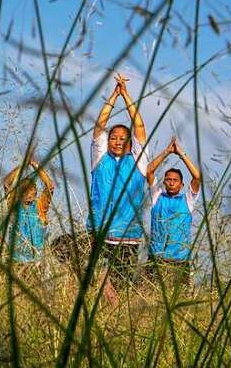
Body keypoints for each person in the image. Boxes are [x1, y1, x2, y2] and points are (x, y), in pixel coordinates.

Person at [89, 74, 148, 302]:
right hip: (101, 232)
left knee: (120, 288)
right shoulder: (99, 158)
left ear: (130, 144)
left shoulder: (138, 162)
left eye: (122, 138)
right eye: (113, 137)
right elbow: (100, 125)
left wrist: (126, 96)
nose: (116, 141)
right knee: (98, 284)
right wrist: (114, 96)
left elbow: (140, 127)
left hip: (128, 236)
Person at [144, 136, 201, 287]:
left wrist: (181, 154)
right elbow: (149, 171)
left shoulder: (188, 200)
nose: (171, 182)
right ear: (164, 182)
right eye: (168, 179)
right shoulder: (157, 197)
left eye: (175, 180)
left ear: (182, 184)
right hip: (156, 258)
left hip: (180, 260)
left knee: (180, 299)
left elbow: (197, 177)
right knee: (149, 298)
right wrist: (167, 152)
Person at [0, 156, 54, 271]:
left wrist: (34, 165)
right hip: (16, 260)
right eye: (25, 190)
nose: (29, 193)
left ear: (35, 192)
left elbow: (50, 186)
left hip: (36, 264)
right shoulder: (14, 207)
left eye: (32, 190)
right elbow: (6, 183)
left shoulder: (39, 208)